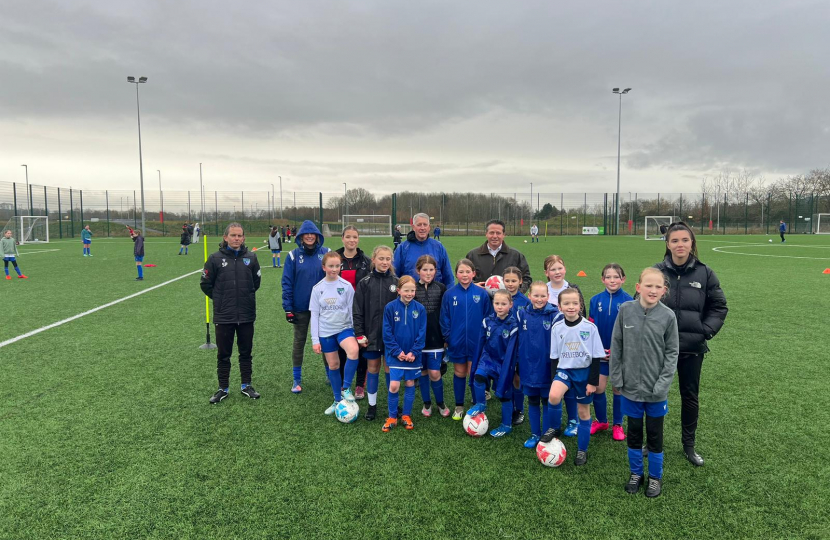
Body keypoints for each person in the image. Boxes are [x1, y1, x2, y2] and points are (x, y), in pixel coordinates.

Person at [655, 221, 727, 467]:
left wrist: (705, 331)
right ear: (667, 244)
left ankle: (689, 446)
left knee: (690, 397)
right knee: (654, 396)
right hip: (660, 349)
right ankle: (653, 442)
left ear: (692, 243)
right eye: (674, 241)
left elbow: (719, 306)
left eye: (685, 240)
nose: (680, 245)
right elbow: (640, 301)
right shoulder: (656, 271)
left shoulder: (705, 273)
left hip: (691, 348)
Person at [610, 268, 679, 498]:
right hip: (630, 388)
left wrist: (663, 384)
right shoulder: (625, 310)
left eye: (658, 286)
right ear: (638, 287)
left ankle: (655, 477)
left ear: (664, 291)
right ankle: (636, 473)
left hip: (656, 390)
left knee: (655, 435)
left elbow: (672, 353)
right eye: (648, 285)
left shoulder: (668, 316)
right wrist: (617, 378)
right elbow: (616, 345)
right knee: (634, 433)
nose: (653, 290)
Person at [540, 288, 606, 466]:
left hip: (583, 373)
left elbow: (596, 357)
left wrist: (593, 382)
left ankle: (582, 450)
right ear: (560, 307)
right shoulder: (557, 327)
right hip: (564, 371)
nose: (571, 307)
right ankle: (555, 428)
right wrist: (555, 378)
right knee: (553, 395)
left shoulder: (589, 328)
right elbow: (554, 356)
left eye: (575, 303)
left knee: (583, 413)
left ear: (580, 305)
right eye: (566, 303)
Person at [200, 222, 262, 404]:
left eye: (240, 236)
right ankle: (223, 388)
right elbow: (205, 284)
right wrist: (220, 299)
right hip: (224, 315)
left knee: (246, 352)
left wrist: (245, 297)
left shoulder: (251, 257)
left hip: (246, 314)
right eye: (233, 235)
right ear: (225, 237)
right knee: (223, 354)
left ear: (243, 238)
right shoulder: (214, 258)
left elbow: (255, 283)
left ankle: (246, 385)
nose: (237, 239)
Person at [281, 220, 330, 393]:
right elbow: (287, 282)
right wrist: (288, 307)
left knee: (326, 341)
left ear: (317, 236)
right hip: (300, 307)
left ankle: (330, 375)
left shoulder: (326, 253)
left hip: (324, 309)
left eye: (312, 234)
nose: (309, 236)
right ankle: (296, 379)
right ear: (301, 237)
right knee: (299, 342)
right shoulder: (293, 256)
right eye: (306, 234)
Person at [310, 252, 361, 416]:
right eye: (330, 266)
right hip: (326, 332)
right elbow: (314, 316)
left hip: (344, 329)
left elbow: (353, 311)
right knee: (333, 365)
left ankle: (346, 388)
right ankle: (337, 399)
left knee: (353, 350)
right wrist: (315, 340)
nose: (334, 269)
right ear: (324, 267)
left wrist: (356, 332)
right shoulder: (317, 289)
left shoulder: (346, 286)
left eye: (337, 266)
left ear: (341, 266)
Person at [440, 259, 492, 420]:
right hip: (457, 342)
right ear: (456, 274)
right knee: (459, 372)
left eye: (468, 271)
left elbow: (488, 317)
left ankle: (478, 405)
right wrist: (449, 337)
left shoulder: (482, 293)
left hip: (477, 343)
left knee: (475, 373)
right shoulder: (449, 294)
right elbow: (444, 318)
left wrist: (485, 339)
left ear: (473, 274)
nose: (464, 275)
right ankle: (459, 405)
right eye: (461, 272)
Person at [588, 263, 634, 441]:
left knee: (618, 389)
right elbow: (591, 327)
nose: (612, 280)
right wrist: (598, 350)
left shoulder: (629, 301)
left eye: (616, 277)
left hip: (619, 354)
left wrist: (617, 350)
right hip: (599, 354)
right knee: (598, 388)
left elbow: (630, 330)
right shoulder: (595, 300)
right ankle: (601, 421)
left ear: (623, 279)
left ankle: (617, 424)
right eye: (608, 277)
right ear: (602, 279)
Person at [353, 245, 398, 421]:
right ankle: (372, 406)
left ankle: (391, 404)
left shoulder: (396, 282)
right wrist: (359, 334)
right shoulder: (365, 283)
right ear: (373, 260)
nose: (384, 262)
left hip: (391, 338)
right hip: (370, 336)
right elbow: (357, 311)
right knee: (373, 368)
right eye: (381, 258)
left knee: (389, 369)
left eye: (388, 259)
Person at [466, 290, 519, 437]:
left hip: (504, 363)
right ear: (493, 304)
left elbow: (512, 350)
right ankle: (481, 403)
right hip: (488, 359)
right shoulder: (487, 321)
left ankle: (506, 425)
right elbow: (481, 343)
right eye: (497, 303)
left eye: (503, 304)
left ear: (511, 305)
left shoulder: (513, 325)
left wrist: (509, 368)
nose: (500, 307)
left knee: (504, 396)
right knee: (478, 377)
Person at [516, 282, 561, 447]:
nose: (540, 299)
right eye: (536, 295)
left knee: (547, 401)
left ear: (548, 297)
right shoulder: (522, 314)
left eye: (543, 296)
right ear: (529, 296)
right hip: (528, 367)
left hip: (546, 368)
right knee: (533, 400)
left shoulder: (555, 315)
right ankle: (535, 434)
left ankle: (547, 435)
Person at [543, 254, 584, 436]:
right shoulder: (542, 290)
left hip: (570, 348)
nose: (557, 272)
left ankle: (573, 420)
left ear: (565, 269)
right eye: (553, 269)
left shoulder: (573, 289)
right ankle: (554, 422)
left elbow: (582, 316)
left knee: (570, 385)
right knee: (554, 383)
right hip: (548, 346)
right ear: (547, 273)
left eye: (560, 268)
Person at [381, 276, 427, 431]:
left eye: (412, 290)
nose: (409, 293)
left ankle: (406, 415)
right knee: (394, 386)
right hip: (395, 356)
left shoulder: (420, 309)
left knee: (409, 383)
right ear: (399, 290)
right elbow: (387, 333)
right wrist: (397, 351)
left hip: (413, 356)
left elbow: (422, 333)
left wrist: (414, 352)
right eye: (406, 290)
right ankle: (392, 416)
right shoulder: (390, 307)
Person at [336, 226, 372, 399]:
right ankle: (344, 382)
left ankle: (359, 385)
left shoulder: (366, 261)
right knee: (343, 348)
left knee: (361, 346)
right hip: (339, 312)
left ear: (358, 239)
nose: (351, 240)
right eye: (348, 237)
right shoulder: (335, 259)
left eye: (355, 237)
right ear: (342, 238)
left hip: (361, 311)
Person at [415, 255, 449, 418]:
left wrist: (445, 338)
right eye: (424, 270)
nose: (428, 273)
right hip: (418, 340)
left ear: (436, 271)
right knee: (422, 372)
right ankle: (426, 403)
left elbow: (445, 313)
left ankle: (441, 403)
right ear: (418, 271)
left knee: (435, 373)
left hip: (436, 338)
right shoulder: (412, 288)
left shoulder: (441, 288)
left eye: (431, 270)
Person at [466, 219, 532, 293]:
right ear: (486, 234)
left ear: (504, 235)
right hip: (481, 301)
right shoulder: (472, 255)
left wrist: (515, 294)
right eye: (491, 233)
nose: (494, 236)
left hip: (507, 302)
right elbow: (465, 277)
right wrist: (473, 286)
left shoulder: (516, 255)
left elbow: (526, 279)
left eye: (498, 233)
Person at [394, 213, 454, 288]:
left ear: (429, 227)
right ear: (413, 227)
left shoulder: (438, 247)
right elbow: (394, 277)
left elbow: (448, 277)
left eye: (425, 225)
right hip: (410, 296)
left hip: (435, 297)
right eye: (419, 225)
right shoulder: (403, 248)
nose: (422, 228)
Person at [503, 266, 529, 425]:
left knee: (517, 379)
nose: (510, 284)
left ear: (520, 281)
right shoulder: (499, 298)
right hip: (503, 347)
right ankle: (507, 405)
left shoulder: (525, 302)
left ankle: (518, 409)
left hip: (519, 349)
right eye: (507, 280)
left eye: (514, 281)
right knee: (506, 377)